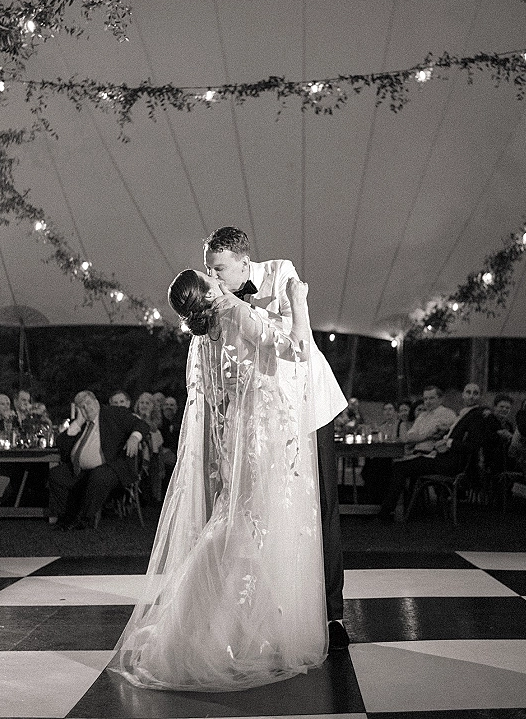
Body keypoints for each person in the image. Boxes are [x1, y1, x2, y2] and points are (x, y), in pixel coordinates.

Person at [113, 269, 326, 691]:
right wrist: (299, 302)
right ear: (209, 293)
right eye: (209, 277)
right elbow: (299, 350)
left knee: (236, 534)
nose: (216, 277)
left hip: (232, 447)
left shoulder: (200, 339)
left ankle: (204, 630)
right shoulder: (235, 314)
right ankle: (226, 636)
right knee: (249, 536)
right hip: (261, 443)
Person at [203, 227, 348, 651]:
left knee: (322, 505)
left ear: (245, 262)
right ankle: (277, 607)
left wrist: (240, 305)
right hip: (264, 415)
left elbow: (292, 343)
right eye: (209, 268)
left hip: (307, 406)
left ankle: (332, 611)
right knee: (269, 507)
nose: (213, 277)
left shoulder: (283, 272)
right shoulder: (219, 299)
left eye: (220, 269)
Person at [50, 390, 149, 530]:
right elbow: (61, 444)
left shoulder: (113, 413)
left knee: (99, 476)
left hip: (111, 467)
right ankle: (66, 517)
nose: (87, 408)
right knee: (57, 474)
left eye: (89, 403)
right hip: (81, 470)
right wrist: (78, 423)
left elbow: (142, 425)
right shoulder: (81, 422)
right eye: (82, 406)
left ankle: (84, 519)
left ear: (96, 402)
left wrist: (134, 438)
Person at [378, 385, 457, 520]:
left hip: (434, 457)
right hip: (418, 454)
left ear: (440, 398)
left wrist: (421, 435)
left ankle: (387, 511)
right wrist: (427, 435)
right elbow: (410, 437)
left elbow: (439, 433)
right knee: (387, 465)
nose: (428, 402)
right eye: (425, 399)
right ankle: (396, 507)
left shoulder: (447, 414)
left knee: (399, 467)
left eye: (431, 398)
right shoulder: (422, 416)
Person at [133, 392, 165, 505]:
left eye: (147, 403)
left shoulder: (155, 422)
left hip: (153, 454)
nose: (144, 405)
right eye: (141, 402)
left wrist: (146, 417)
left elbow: (152, 429)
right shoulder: (133, 418)